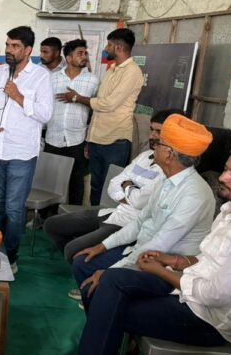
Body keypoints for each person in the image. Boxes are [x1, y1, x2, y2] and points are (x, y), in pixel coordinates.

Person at [38, 142, 231, 355]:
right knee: (112, 281)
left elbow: (216, 294)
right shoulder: (230, 212)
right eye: (226, 169)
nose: (223, 177)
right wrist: (175, 261)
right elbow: (208, 260)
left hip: (210, 321)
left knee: (107, 302)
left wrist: (161, 271)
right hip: (188, 293)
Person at [72, 114, 216, 309]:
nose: (154, 145)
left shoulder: (194, 195)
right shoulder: (166, 181)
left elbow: (159, 244)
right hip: (141, 253)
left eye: (160, 143)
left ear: (170, 154)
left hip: (163, 268)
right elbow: (140, 222)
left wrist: (110, 271)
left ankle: (105, 312)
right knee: (83, 262)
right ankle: (99, 310)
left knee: (106, 279)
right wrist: (103, 246)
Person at [44, 109, 177, 268]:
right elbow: (113, 184)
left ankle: (87, 266)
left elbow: (140, 201)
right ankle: (85, 264)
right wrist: (131, 192)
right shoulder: (144, 156)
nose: (152, 136)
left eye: (158, 132)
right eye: (151, 130)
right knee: (51, 225)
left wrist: (126, 185)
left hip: (129, 223)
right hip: (113, 212)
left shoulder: (170, 169)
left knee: (72, 249)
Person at [0, 26, 53, 270]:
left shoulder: (40, 76)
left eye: (15, 46)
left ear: (28, 50)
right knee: (0, 205)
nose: (9, 50)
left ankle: (11, 257)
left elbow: (46, 114)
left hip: (21, 154)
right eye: (8, 45)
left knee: (14, 209)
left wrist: (19, 96)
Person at [59, 28, 144, 205]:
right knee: (96, 186)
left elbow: (108, 104)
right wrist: (90, 139)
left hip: (115, 141)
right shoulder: (112, 70)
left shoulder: (132, 72)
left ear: (118, 47)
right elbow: (98, 108)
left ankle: (106, 222)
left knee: (111, 189)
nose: (106, 48)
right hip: (97, 140)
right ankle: (93, 220)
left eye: (109, 45)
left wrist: (77, 98)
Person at [44, 39, 99, 206]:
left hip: (77, 139)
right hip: (53, 138)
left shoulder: (92, 80)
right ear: (68, 58)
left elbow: (96, 109)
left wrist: (78, 98)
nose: (84, 56)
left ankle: (72, 216)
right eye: (80, 53)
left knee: (76, 183)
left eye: (85, 53)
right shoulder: (52, 79)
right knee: (50, 182)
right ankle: (46, 216)